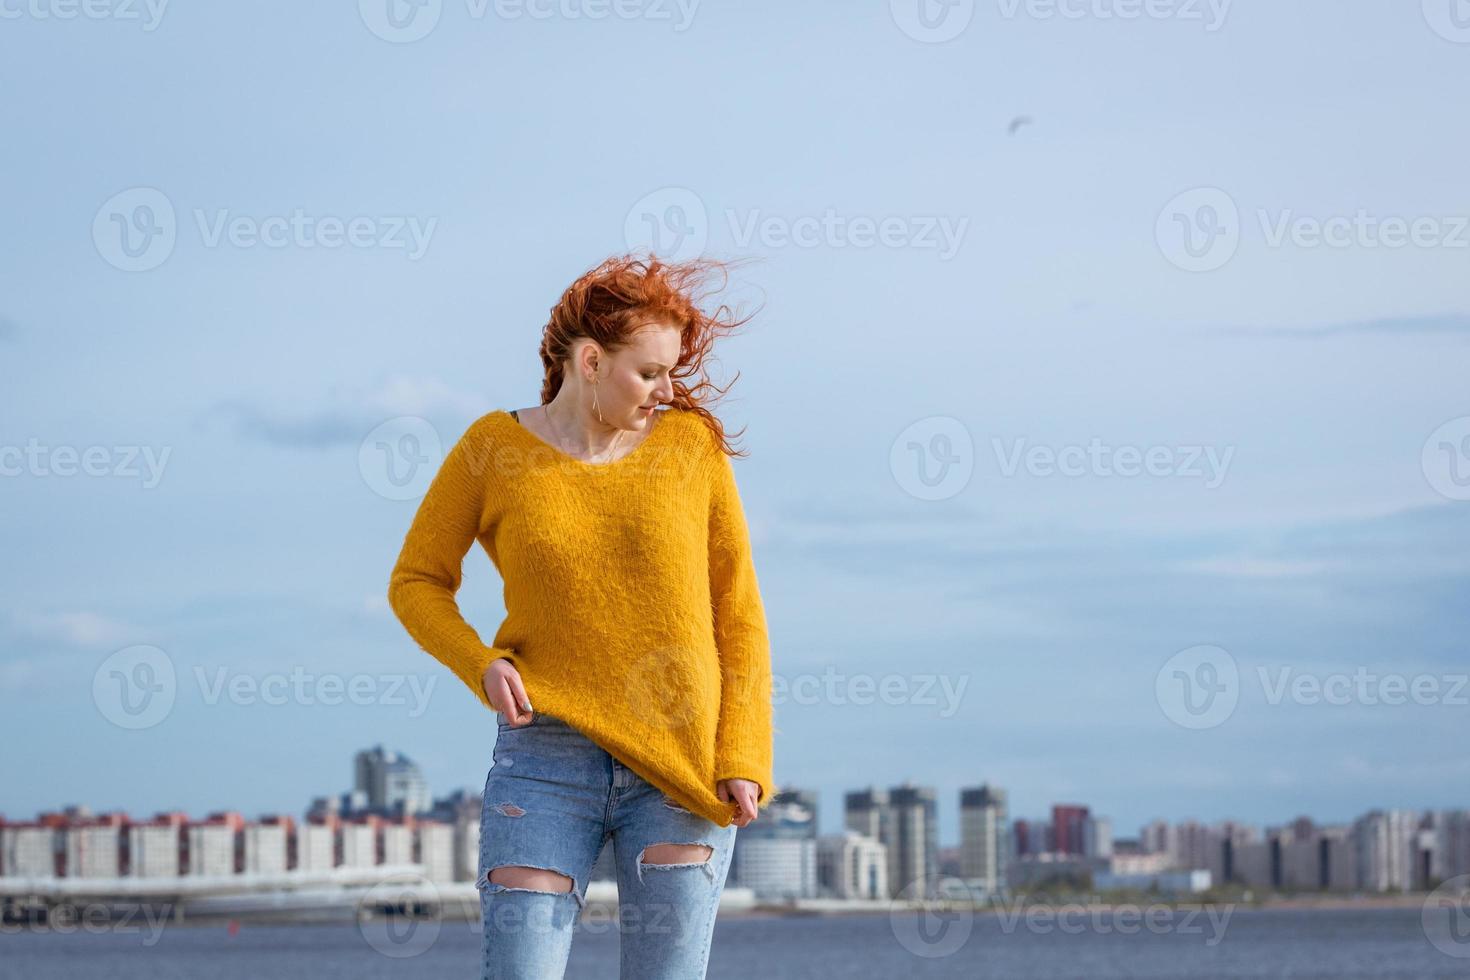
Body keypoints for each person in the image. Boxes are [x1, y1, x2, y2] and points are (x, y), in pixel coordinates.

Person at [387, 253, 777, 979]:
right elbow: (416, 582)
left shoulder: (691, 450)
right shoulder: (491, 450)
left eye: (671, 372)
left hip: (679, 766)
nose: (667, 391)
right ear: (591, 360)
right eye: (650, 372)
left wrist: (744, 755)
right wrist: (481, 662)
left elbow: (739, 613)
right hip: (543, 762)